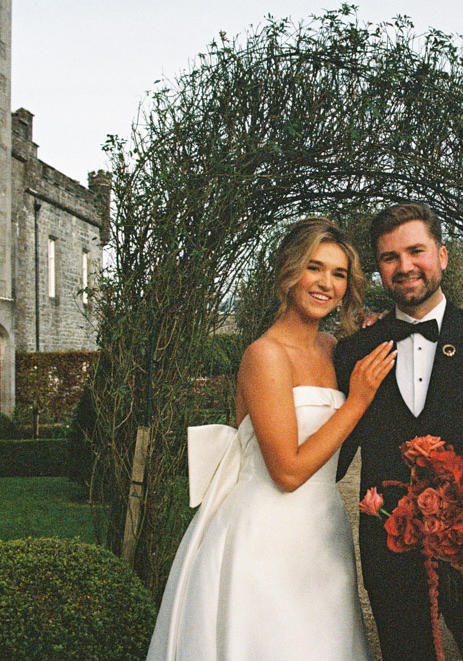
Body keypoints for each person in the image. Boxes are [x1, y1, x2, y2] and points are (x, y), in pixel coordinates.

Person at [147, 217, 395, 661]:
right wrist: (355, 400)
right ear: (288, 272)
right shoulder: (264, 355)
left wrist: (374, 336)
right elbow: (287, 471)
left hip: (323, 532)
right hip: (266, 535)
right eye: (314, 267)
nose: (326, 283)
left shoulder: (332, 349)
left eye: (339, 273)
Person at [335, 202, 463, 661]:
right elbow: (333, 455)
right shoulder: (355, 352)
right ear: (378, 268)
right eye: (390, 257)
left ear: (443, 256)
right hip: (390, 558)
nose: (404, 266)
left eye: (416, 251)